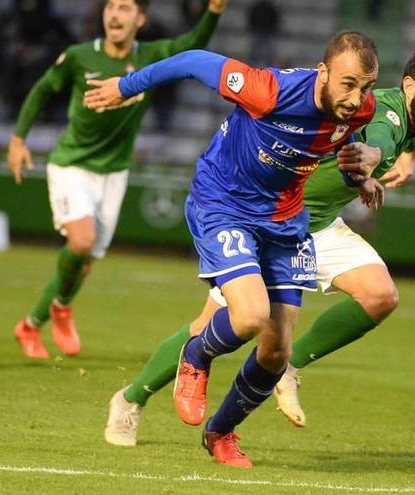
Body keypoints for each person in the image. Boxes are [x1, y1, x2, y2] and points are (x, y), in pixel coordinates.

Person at [101, 49, 415, 443]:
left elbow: (381, 133)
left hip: (312, 225)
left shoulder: (386, 111)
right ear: (410, 86)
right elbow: (379, 133)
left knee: (379, 296)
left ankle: (285, 372)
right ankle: (130, 400)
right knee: (215, 324)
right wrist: (374, 157)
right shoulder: (374, 111)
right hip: (269, 223)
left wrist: (398, 156)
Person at [86, 31, 382, 468]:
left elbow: (328, 148)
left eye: (367, 87)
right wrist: (127, 86)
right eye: (349, 83)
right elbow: (190, 59)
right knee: (248, 316)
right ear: (323, 72)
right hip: (224, 204)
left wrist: (359, 175)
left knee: (278, 350)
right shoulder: (268, 90)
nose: (358, 98)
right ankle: (196, 355)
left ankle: (221, 432)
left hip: (284, 221)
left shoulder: (357, 111)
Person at [8, 0, 227, 359]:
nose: (115, 14)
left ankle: (30, 325)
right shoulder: (80, 56)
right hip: (72, 164)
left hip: (114, 172)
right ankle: (61, 306)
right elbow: (43, 89)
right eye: (111, 7)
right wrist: (18, 139)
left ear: (140, 19)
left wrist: (214, 10)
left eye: (125, 8)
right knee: (81, 243)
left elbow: (192, 44)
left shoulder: (151, 56)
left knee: (87, 259)